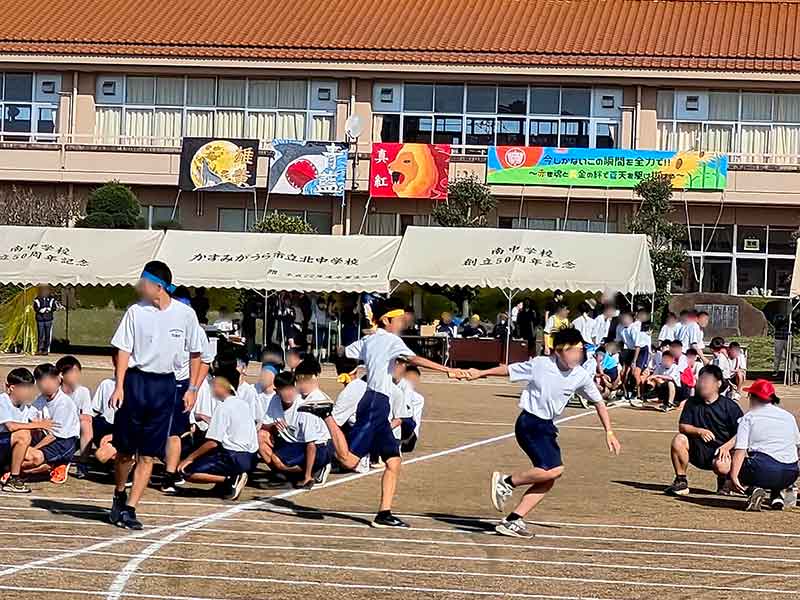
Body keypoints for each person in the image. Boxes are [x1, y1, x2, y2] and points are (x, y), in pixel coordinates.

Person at [299, 297, 463, 528]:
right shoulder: (390, 340)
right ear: (387, 320)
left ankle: (384, 513)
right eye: (399, 319)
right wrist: (447, 369)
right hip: (376, 402)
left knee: (394, 462)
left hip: (378, 402)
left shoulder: (370, 339)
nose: (402, 323)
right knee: (349, 460)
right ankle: (327, 415)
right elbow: (413, 358)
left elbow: (344, 352)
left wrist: (363, 341)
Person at [467, 328, 621, 539]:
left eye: (580, 350)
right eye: (572, 350)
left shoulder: (581, 376)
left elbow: (598, 401)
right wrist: (480, 373)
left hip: (547, 426)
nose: (577, 354)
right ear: (558, 351)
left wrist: (609, 431)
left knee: (548, 478)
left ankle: (512, 520)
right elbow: (509, 370)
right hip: (529, 422)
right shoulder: (541, 364)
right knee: (554, 470)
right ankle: (507, 481)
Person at [108, 260, 207, 530]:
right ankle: (119, 493)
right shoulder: (135, 312)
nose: (140, 287)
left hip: (165, 385)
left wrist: (193, 389)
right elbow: (123, 350)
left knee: (149, 454)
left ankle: (130, 508)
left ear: (159, 286)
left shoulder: (185, 315)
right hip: (136, 382)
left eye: (144, 282)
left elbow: (196, 353)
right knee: (126, 451)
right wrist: (119, 385)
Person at [161, 286, 214, 494]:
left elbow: (205, 361)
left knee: (174, 431)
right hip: (156, 381)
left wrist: (193, 388)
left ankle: (169, 474)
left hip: (180, 384)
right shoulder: (160, 322)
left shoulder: (196, 331)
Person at [178, 365, 256, 501]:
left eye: (214, 385)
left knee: (186, 470)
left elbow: (213, 442)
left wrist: (189, 458)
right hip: (251, 457)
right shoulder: (243, 404)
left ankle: (229, 479)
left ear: (222, 386)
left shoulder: (224, 407)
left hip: (234, 457)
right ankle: (225, 484)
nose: (212, 389)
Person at [666, 365, 743, 497]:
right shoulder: (692, 403)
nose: (701, 384)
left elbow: (742, 433)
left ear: (718, 384)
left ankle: (725, 481)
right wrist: (699, 431)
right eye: (700, 380)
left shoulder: (730, 406)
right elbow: (683, 426)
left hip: (721, 453)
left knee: (722, 466)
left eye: (706, 381)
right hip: (699, 451)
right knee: (679, 440)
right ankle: (681, 480)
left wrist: (726, 447)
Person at [729, 380, 800, 511]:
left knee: (735, 459)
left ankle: (754, 489)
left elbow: (740, 450)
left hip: (763, 470)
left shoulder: (749, 417)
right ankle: (777, 494)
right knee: (776, 459)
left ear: (753, 398)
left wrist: (733, 477)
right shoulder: (788, 417)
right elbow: (798, 447)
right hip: (791, 473)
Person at [21, 364, 80, 484]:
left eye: (49, 380)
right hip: (44, 437)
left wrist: (33, 448)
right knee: (22, 441)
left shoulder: (64, 403)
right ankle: (48, 466)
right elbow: (29, 420)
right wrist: (37, 425)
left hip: (63, 442)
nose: (45, 385)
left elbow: (53, 435)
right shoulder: (41, 399)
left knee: (32, 456)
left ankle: (53, 464)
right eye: (41, 381)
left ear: (58, 379)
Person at [0, 368, 51, 493]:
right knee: (23, 435)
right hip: (3, 442)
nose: (28, 392)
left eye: (30, 388)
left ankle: (6, 471)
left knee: (38, 457)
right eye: (24, 388)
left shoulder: (25, 407)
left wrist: (41, 426)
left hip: (7, 446)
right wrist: (37, 425)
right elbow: (11, 426)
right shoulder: (2, 400)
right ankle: (14, 479)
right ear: (12, 388)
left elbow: (38, 421)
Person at [54, 355, 93, 478]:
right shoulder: (52, 392)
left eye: (78, 372)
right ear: (61, 374)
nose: (76, 375)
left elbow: (87, 417)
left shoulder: (83, 392)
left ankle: (83, 463)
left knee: (86, 423)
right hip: (54, 433)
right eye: (72, 372)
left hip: (73, 433)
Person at [89, 352, 119, 465]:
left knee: (103, 455)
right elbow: (94, 410)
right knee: (101, 455)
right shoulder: (106, 384)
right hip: (107, 428)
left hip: (128, 432)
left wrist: (115, 436)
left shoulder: (138, 387)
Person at [33, 285, 59, 355]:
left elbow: (54, 307)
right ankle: (39, 349)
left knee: (47, 335)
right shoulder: (37, 299)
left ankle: (46, 350)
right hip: (40, 319)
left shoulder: (51, 299)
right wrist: (40, 310)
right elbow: (35, 308)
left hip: (48, 319)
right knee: (40, 335)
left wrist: (49, 309)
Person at [772, 313, 790, 378]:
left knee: (788, 355)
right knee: (777, 355)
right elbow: (776, 324)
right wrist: (784, 320)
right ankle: (775, 370)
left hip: (787, 338)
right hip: (778, 338)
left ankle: (787, 370)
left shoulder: (791, 316)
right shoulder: (777, 316)